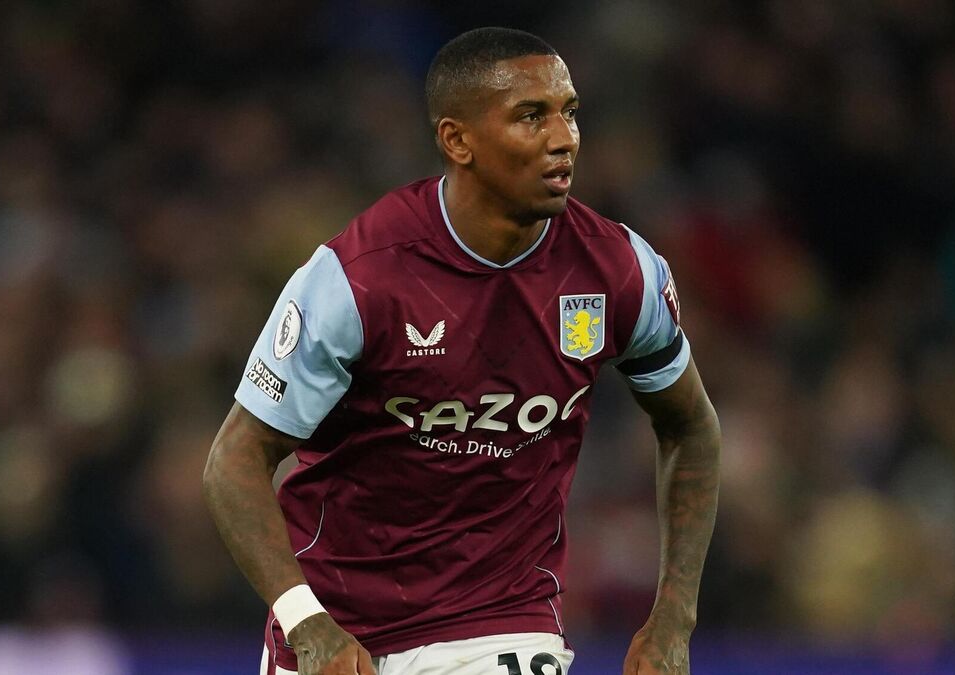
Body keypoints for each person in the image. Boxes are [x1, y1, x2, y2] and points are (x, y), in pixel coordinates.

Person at [203, 27, 720, 675]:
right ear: (457, 140)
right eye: (531, 116)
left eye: (569, 112)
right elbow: (234, 460)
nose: (563, 138)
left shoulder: (619, 272)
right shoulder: (359, 278)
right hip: (338, 630)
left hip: (502, 621)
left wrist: (674, 617)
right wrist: (306, 621)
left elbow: (690, 427)